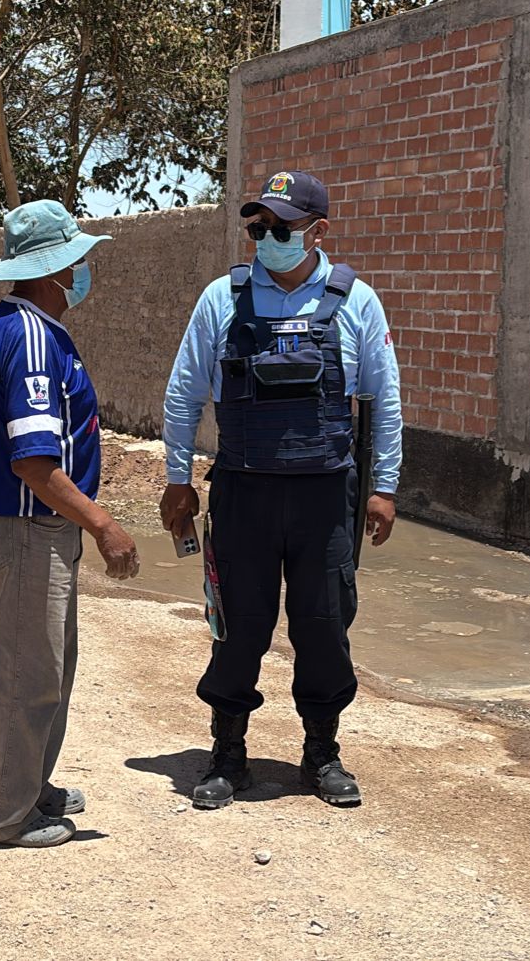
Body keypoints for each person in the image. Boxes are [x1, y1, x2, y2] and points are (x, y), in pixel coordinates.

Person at [159, 169, 401, 810]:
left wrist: (384, 487)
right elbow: (184, 393)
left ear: (318, 231)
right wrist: (177, 480)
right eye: (256, 227)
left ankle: (321, 753)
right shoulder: (222, 298)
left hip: (326, 496)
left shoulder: (357, 302)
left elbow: (384, 398)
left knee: (324, 625)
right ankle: (227, 753)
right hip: (243, 491)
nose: (264, 237)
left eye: (279, 227)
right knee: (238, 625)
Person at [0, 199, 139, 848]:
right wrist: (102, 524)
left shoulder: (19, 327)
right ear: (55, 268)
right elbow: (34, 464)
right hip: (28, 525)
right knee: (25, 673)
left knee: (49, 666)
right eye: (77, 256)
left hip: (38, 528)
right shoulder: (31, 339)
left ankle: (29, 786)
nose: (85, 266)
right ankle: (4, 817)